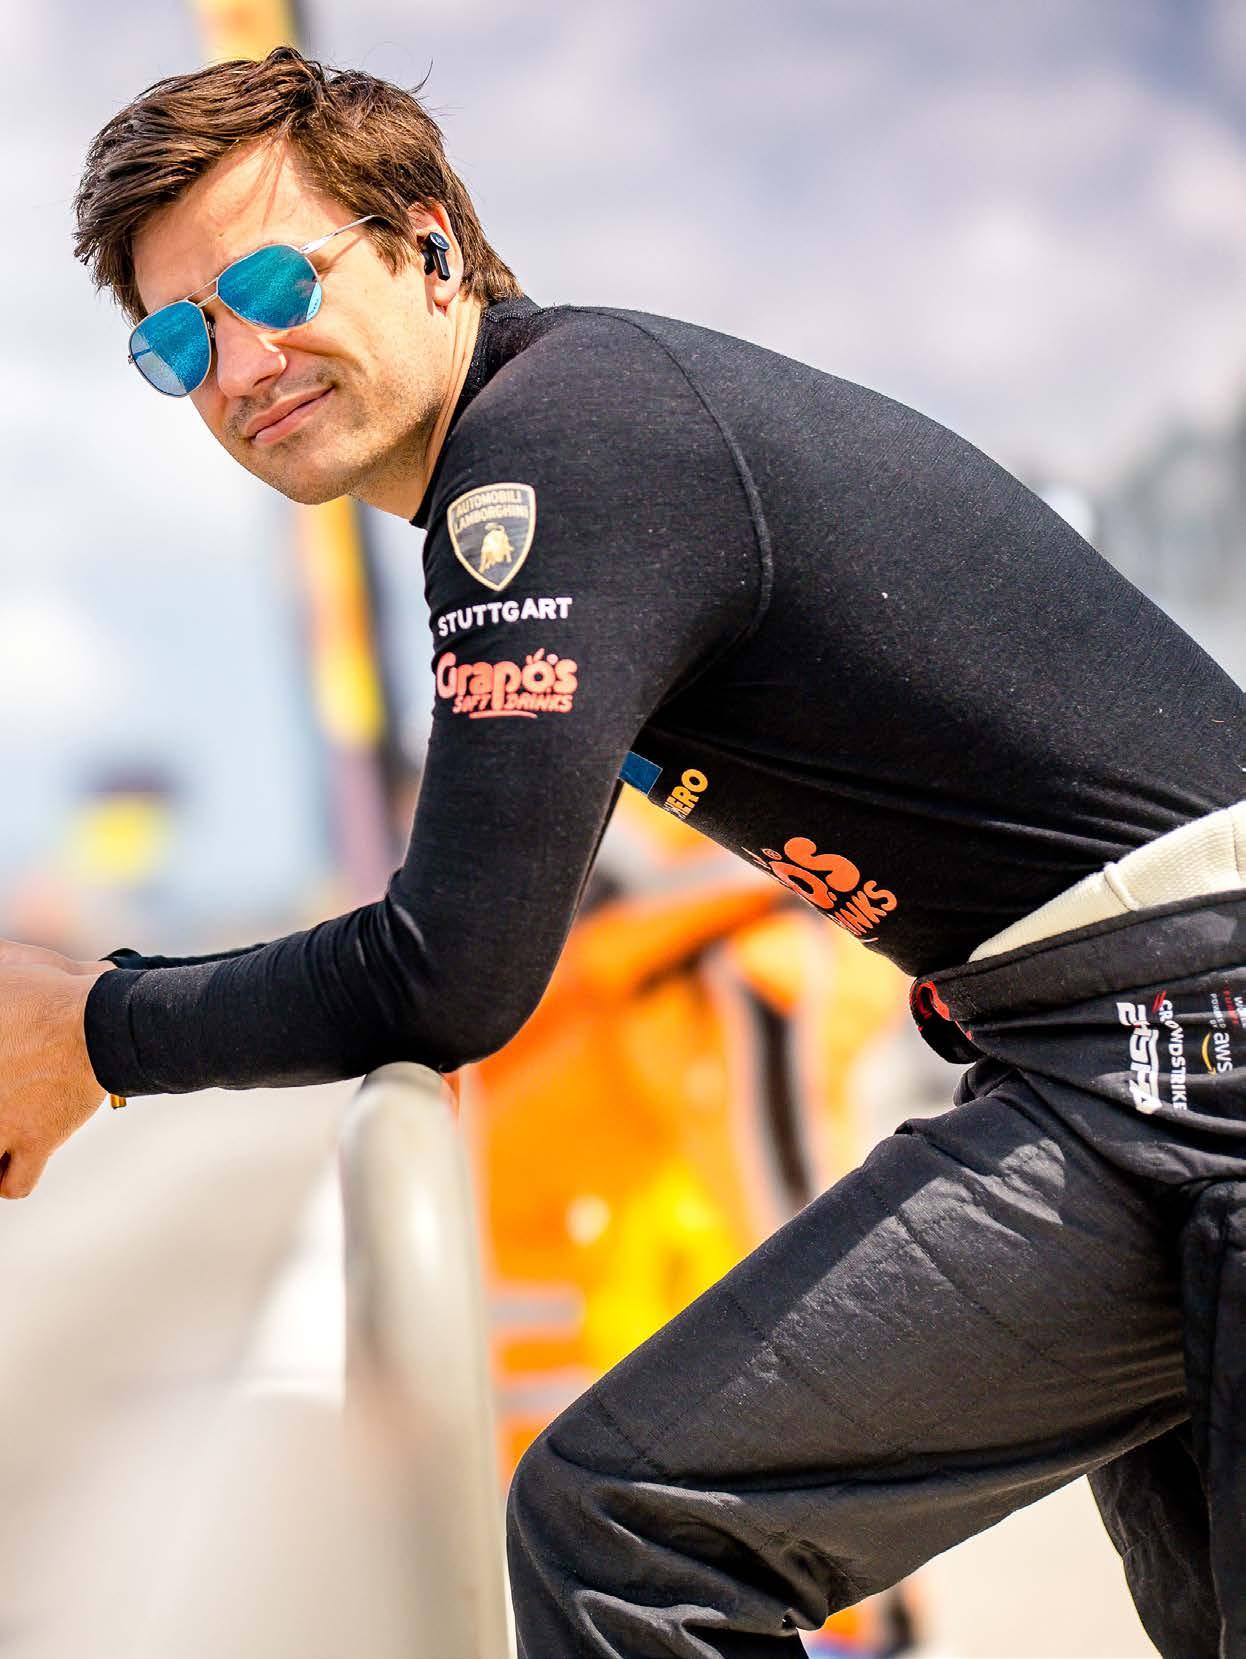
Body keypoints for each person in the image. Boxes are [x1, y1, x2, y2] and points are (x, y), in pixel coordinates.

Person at [8, 42, 1241, 1656]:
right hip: (1114, 1042)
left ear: (429, 244)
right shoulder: (580, 430)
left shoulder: (552, 455)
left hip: (1176, 1046)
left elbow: (452, 968)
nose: (241, 361)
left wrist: (94, 1030)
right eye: (179, 340)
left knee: (627, 1534)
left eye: (269, 285)